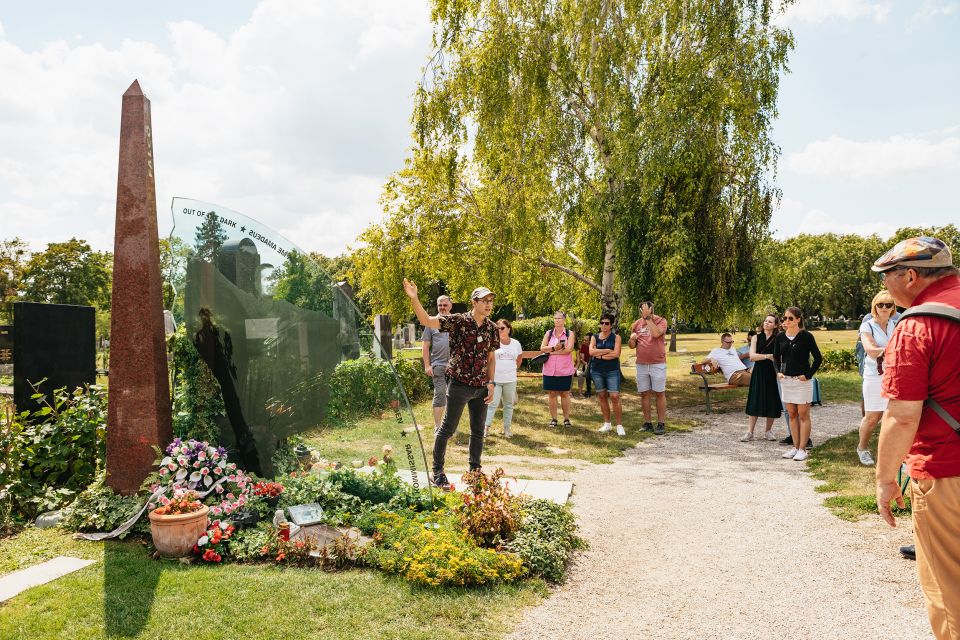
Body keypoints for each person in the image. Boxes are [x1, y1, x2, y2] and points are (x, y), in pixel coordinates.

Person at [873, 236, 960, 640]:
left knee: (949, 590)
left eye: (886, 278)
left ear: (910, 276)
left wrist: (885, 480)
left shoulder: (918, 325)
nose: (885, 288)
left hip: (947, 469)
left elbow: (903, 415)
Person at [403, 279, 499, 490]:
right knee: (447, 428)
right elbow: (427, 320)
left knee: (477, 431)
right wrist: (414, 298)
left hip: (481, 386)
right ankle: (437, 472)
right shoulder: (458, 321)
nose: (489, 304)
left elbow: (491, 358)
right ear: (474, 302)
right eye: (485, 301)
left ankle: (475, 472)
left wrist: (491, 383)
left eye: (491, 301)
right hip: (459, 384)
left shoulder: (492, 328)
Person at [774, 306, 822, 462]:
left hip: (802, 382)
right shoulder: (780, 337)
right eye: (784, 318)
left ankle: (803, 449)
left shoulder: (806, 336)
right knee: (792, 414)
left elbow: (818, 358)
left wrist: (808, 375)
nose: (786, 321)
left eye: (790, 318)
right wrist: (778, 372)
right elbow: (775, 358)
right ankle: (795, 447)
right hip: (786, 381)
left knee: (803, 415)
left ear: (798, 320)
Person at [855, 290, 897, 465]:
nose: (884, 308)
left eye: (888, 305)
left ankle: (892, 453)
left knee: (894, 416)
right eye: (881, 305)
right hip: (874, 376)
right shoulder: (867, 326)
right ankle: (862, 448)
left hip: (894, 374)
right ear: (875, 307)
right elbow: (871, 352)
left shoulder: (895, 325)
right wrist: (896, 350)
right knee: (873, 417)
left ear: (893, 307)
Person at [741, 314, 782, 442]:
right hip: (759, 371)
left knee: (771, 400)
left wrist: (768, 357)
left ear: (775, 325)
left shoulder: (778, 338)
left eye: (770, 322)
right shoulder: (756, 337)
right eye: (765, 321)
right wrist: (768, 356)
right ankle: (750, 432)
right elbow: (752, 356)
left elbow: (779, 357)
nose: (766, 323)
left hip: (772, 372)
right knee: (755, 399)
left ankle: (768, 431)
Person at [629, 301, 668, 435]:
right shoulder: (636, 324)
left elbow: (656, 334)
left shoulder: (661, 321)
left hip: (658, 363)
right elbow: (631, 345)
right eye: (642, 309)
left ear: (651, 309)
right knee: (644, 393)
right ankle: (647, 423)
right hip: (641, 364)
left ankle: (661, 423)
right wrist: (632, 339)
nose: (644, 311)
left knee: (659, 393)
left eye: (646, 309)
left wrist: (648, 319)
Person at [484, 319, 524, 438]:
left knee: (508, 405)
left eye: (502, 328)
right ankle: (486, 428)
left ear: (509, 329)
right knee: (492, 404)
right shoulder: (493, 342)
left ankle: (506, 429)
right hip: (495, 380)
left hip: (510, 380)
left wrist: (511, 370)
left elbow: (519, 359)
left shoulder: (516, 344)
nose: (499, 330)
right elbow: (489, 360)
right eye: (497, 328)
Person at [422, 295, 453, 432]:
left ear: (450, 306)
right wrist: (427, 365)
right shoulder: (431, 323)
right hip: (438, 365)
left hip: (455, 366)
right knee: (440, 394)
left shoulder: (456, 321)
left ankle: (450, 425)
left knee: (454, 397)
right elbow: (425, 346)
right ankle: (437, 426)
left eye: (445, 305)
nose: (442, 307)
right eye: (440, 305)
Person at [540, 311, 576, 427]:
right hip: (549, 370)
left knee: (565, 394)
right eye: (555, 318)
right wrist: (554, 348)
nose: (557, 320)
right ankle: (554, 419)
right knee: (552, 394)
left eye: (559, 318)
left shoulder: (570, 334)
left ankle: (566, 419)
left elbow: (568, 350)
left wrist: (552, 352)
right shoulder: (549, 333)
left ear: (564, 320)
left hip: (564, 369)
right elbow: (542, 348)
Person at [590, 314, 624, 436]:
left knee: (614, 396)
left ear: (611, 325)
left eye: (607, 323)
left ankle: (619, 425)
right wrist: (606, 352)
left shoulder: (616, 337)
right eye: (602, 323)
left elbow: (616, 354)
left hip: (612, 370)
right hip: (597, 370)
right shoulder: (594, 337)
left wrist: (598, 355)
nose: (604, 325)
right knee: (602, 396)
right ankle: (607, 424)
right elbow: (591, 351)